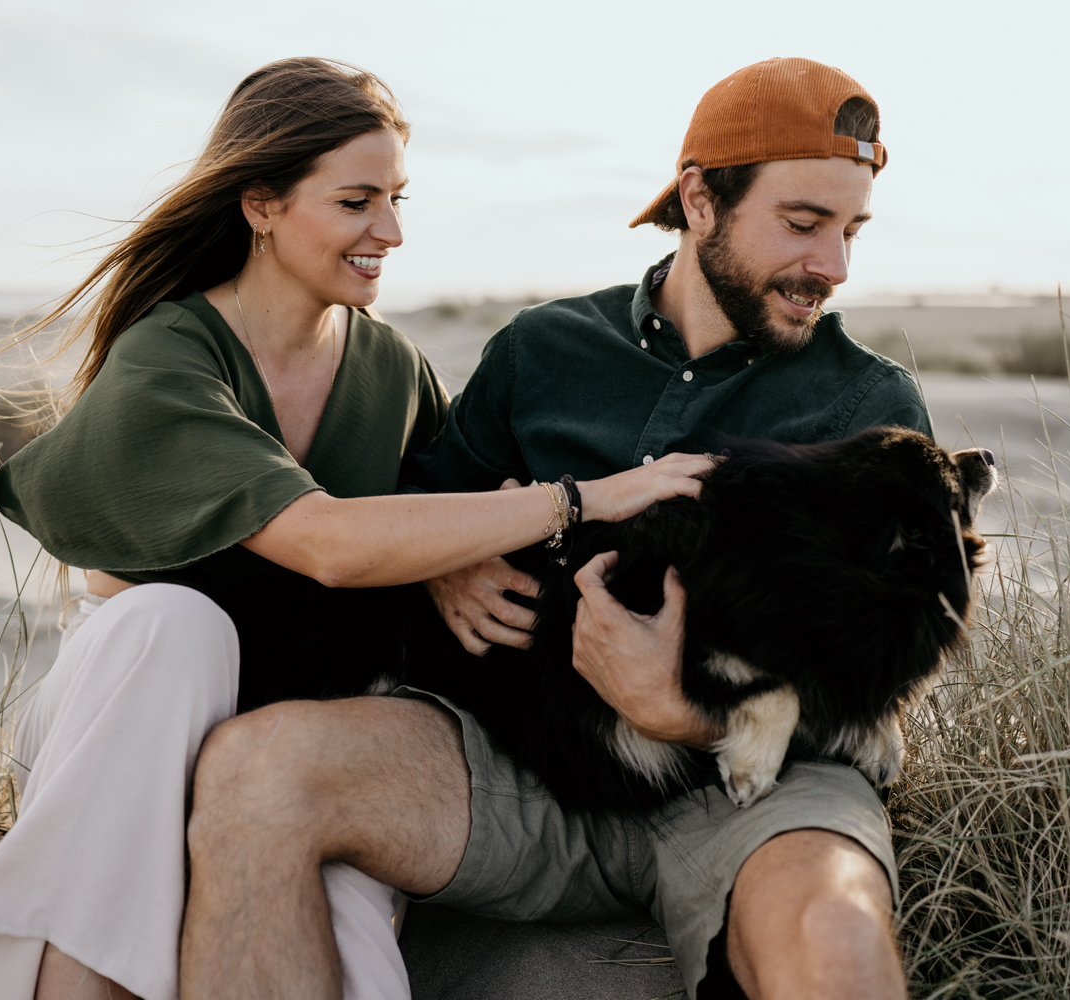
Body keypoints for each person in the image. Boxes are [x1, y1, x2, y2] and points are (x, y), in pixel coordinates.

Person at [0, 57, 710, 1000]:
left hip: (296, 736)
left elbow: (441, 504)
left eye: (397, 197)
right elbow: (332, 543)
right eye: (356, 201)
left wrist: (445, 566)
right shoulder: (170, 359)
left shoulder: (390, 368)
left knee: (337, 937)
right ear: (261, 205)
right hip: (127, 729)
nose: (389, 230)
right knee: (175, 625)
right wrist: (582, 497)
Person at [182, 57, 930, 1000]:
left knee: (835, 936)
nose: (833, 266)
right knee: (255, 774)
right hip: (518, 770)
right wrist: (449, 565)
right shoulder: (543, 351)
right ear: (700, 202)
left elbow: (885, 685)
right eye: (803, 224)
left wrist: (681, 710)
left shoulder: (871, 405)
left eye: (852, 230)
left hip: (752, 788)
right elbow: (417, 510)